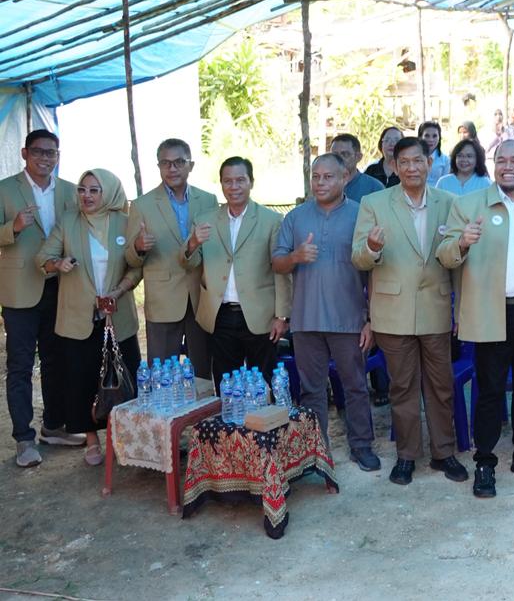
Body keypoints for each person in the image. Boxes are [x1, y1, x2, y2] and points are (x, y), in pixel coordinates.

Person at [438, 140, 514, 498]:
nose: (509, 166)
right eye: (501, 160)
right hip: (491, 313)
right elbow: (444, 257)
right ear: (493, 165)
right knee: (489, 391)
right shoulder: (468, 205)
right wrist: (462, 243)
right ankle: (485, 462)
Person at [353, 138, 467, 486]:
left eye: (419, 161)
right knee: (401, 387)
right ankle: (406, 456)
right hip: (392, 310)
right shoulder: (374, 203)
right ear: (395, 164)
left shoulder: (449, 202)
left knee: (441, 386)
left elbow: (458, 261)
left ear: (430, 164)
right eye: (405, 162)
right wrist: (371, 247)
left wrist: (459, 311)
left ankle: (443, 453)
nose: (412, 168)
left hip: (435, 306)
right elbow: (358, 256)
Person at [272, 154, 378, 472]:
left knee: (356, 385)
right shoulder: (295, 217)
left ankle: (362, 446)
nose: (320, 183)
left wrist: (371, 320)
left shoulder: (361, 215)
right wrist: (296, 256)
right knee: (311, 390)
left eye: (328, 177)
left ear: (345, 178)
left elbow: (373, 272)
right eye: (315, 177)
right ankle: (317, 451)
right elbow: (277, 263)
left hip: (348, 320)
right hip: (306, 320)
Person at [37, 169, 141, 466]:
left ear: (107, 192)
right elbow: (41, 259)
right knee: (81, 380)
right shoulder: (69, 221)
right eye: (82, 190)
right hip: (77, 318)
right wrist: (58, 263)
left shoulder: (124, 221)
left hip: (116, 316)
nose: (87, 196)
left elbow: (137, 267)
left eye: (94, 190)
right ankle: (92, 441)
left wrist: (118, 291)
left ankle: (128, 439)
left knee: (126, 377)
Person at [1, 130, 80, 466]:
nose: (45, 158)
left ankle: (53, 425)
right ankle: (23, 438)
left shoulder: (70, 190)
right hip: (20, 289)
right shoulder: (5, 189)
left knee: (55, 359)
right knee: (20, 365)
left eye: (52, 153)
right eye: (38, 152)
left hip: (60, 285)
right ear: (24, 153)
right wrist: (13, 227)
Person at [183, 157, 290, 382]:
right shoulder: (205, 220)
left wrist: (282, 316)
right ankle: (229, 418)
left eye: (240, 180)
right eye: (228, 181)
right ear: (221, 184)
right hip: (219, 315)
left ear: (251, 182)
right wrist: (193, 243)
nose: (234, 187)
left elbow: (280, 271)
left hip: (260, 315)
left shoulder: (271, 220)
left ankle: (262, 419)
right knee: (225, 383)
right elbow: (189, 265)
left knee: (262, 383)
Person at [124, 138, 218, 378]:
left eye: (179, 162)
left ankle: (201, 416)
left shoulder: (208, 200)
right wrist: (138, 246)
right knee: (162, 376)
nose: (172, 168)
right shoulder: (142, 205)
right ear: (158, 166)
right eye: (165, 163)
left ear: (191, 165)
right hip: (163, 300)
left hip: (201, 297)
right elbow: (131, 259)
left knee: (203, 373)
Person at [331, 134, 385, 203]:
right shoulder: (322, 186)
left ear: (358, 157)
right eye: (334, 155)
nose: (339, 159)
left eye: (345, 154)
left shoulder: (374, 188)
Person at [417, 121, 451, 185]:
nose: (431, 140)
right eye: (427, 136)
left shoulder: (445, 160)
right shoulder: (412, 157)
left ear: (439, 137)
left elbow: (445, 184)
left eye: (434, 136)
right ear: (420, 137)